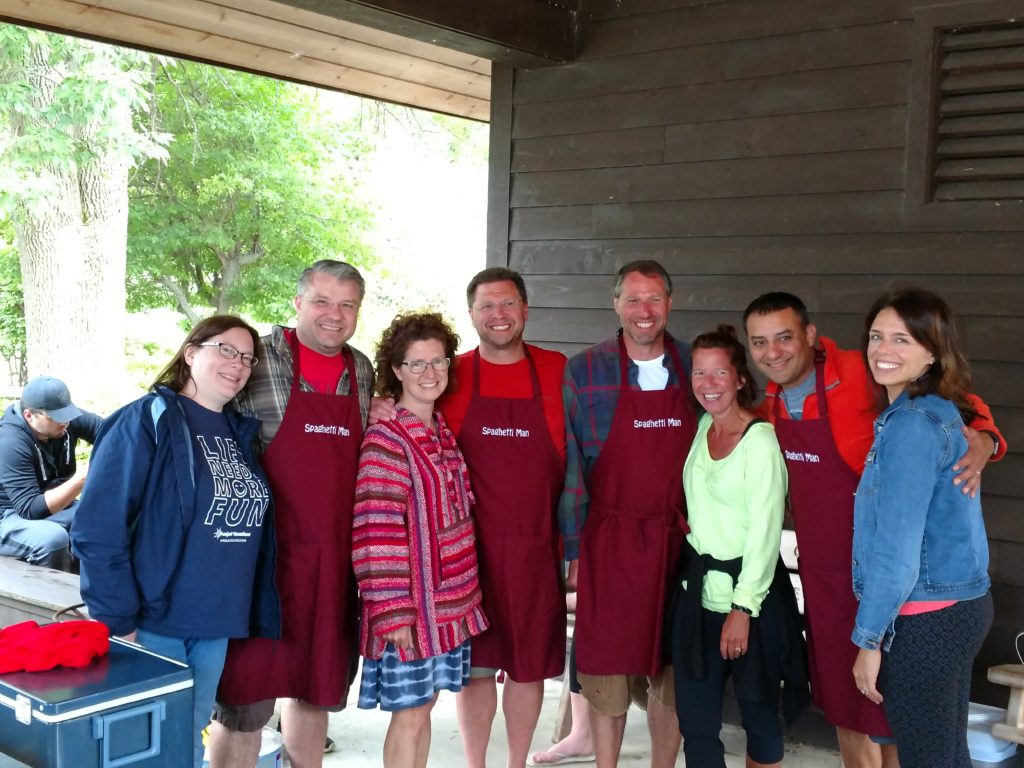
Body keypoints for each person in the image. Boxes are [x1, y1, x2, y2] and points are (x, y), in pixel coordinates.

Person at [742, 292, 1006, 768]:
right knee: (847, 707)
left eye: (784, 337)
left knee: (896, 719)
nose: (773, 352)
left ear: (809, 335)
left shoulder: (868, 373)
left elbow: (956, 402)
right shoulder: (771, 402)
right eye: (759, 342)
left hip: (891, 581)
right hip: (826, 577)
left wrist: (986, 439)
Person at [369, 267, 569, 768]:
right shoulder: (451, 373)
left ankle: (516, 763)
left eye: (508, 305)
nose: (498, 316)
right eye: (487, 306)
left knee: (527, 670)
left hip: (534, 549)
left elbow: (583, 458)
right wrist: (377, 405)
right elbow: (404, 413)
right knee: (473, 671)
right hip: (463, 561)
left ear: (525, 310)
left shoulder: (557, 370)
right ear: (473, 315)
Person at [71, 315, 279, 768]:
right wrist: (116, 618)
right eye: (225, 349)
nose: (238, 363)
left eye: (247, 357)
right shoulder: (146, 419)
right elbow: (97, 528)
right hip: (151, 622)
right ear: (191, 353)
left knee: (184, 741)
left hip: (216, 623)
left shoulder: (239, 432)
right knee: (142, 751)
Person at [208, 260, 374, 768]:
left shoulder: (361, 370)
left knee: (315, 691)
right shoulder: (253, 356)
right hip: (260, 563)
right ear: (298, 303)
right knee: (244, 705)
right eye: (322, 301)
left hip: (333, 566)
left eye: (347, 305)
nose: (334, 315)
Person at [560, 259, 695, 768]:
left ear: (669, 303)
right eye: (633, 299)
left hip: (679, 542)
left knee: (673, 668)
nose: (645, 310)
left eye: (654, 298)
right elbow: (573, 468)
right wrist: (574, 551)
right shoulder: (585, 369)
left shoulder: (693, 363)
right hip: (610, 541)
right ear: (616, 304)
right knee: (608, 668)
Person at [851, 288, 993, 767]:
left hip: (926, 616)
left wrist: (868, 641)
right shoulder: (940, 412)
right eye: (876, 336)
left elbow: (895, 553)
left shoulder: (912, 425)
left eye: (902, 340)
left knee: (928, 757)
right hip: (959, 605)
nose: (882, 350)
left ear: (933, 352)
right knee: (947, 753)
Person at [352, 311, 487, 768]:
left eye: (439, 361)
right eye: (417, 363)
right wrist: (391, 611)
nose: (430, 373)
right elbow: (376, 531)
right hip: (409, 607)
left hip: (447, 605)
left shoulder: (442, 431)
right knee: (409, 713)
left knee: (424, 707)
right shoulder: (386, 439)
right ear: (396, 369)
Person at [669, 326, 805, 768]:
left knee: (760, 715)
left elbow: (766, 534)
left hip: (753, 600)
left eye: (719, 373)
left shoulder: (759, 442)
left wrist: (742, 609)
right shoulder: (703, 426)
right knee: (697, 723)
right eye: (699, 373)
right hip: (698, 598)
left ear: (740, 379)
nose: (708, 384)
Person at [0, 376, 102, 570]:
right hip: (8, 515)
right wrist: (83, 477)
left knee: (109, 515)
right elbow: (31, 509)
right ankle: (50, 598)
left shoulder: (64, 423)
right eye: (55, 416)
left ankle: (95, 591)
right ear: (29, 415)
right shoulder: (10, 443)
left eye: (67, 413)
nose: (65, 422)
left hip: (52, 511)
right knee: (52, 539)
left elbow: (117, 434)